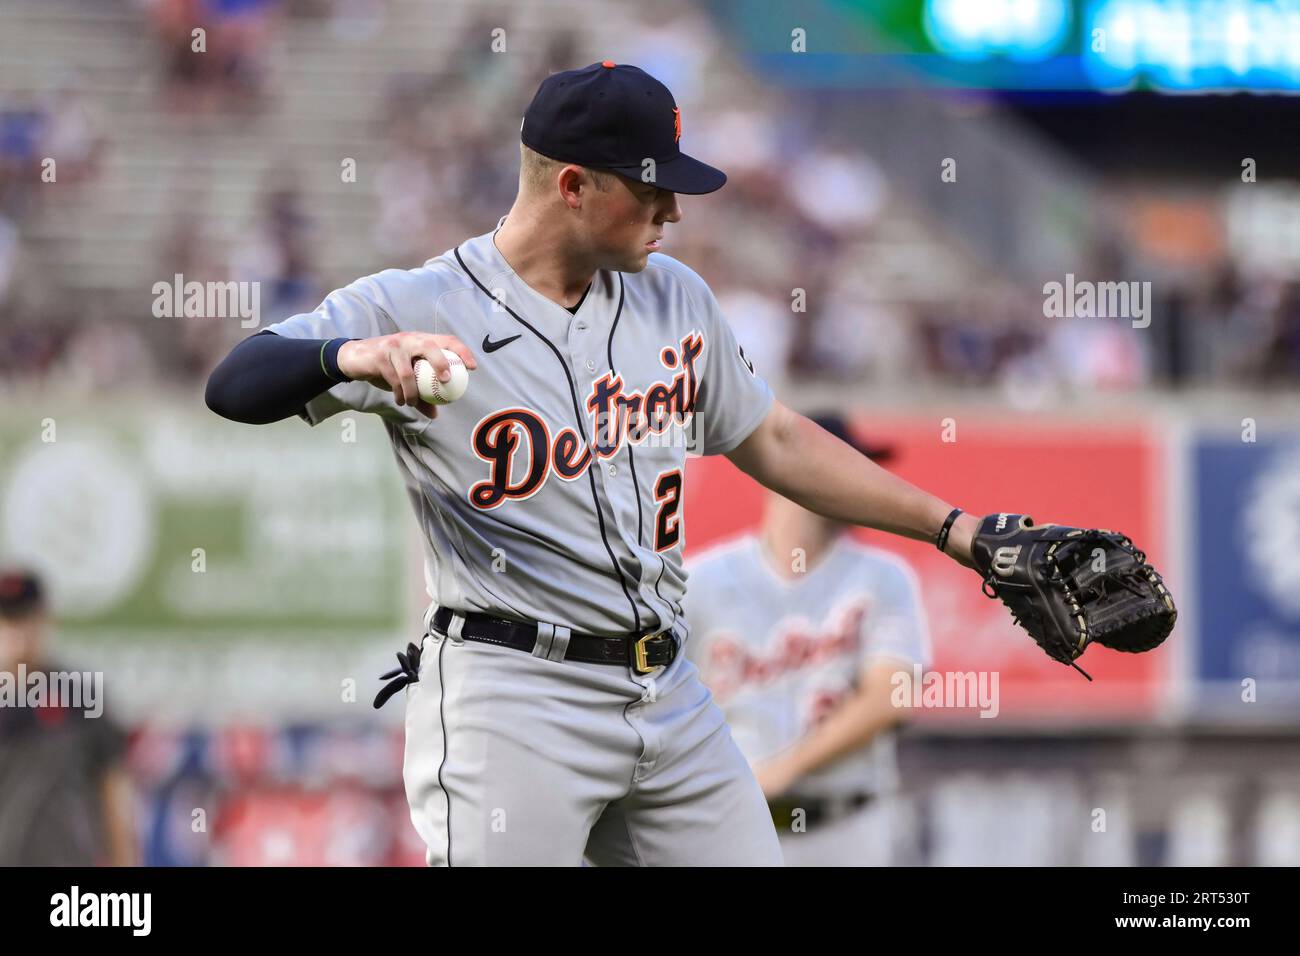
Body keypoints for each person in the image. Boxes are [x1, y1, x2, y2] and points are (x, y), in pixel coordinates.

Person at [205, 61, 982, 866]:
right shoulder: (419, 305)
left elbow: (776, 439)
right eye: (652, 191)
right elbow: (234, 385)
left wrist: (958, 530)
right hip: (515, 694)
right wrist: (351, 355)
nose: (673, 211)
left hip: (668, 687)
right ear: (573, 186)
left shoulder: (674, 296)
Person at [684, 414, 929, 866]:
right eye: (845, 468)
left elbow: (891, 698)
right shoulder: (700, 579)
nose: (862, 486)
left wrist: (781, 772)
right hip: (732, 833)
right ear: (791, 472)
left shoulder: (882, 577)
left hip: (846, 828)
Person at [0, 569, 137, 866]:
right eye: (9, 620)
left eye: (26, 618)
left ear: (44, 619)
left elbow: (112, 792)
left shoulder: (80, 698)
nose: (18, 633)